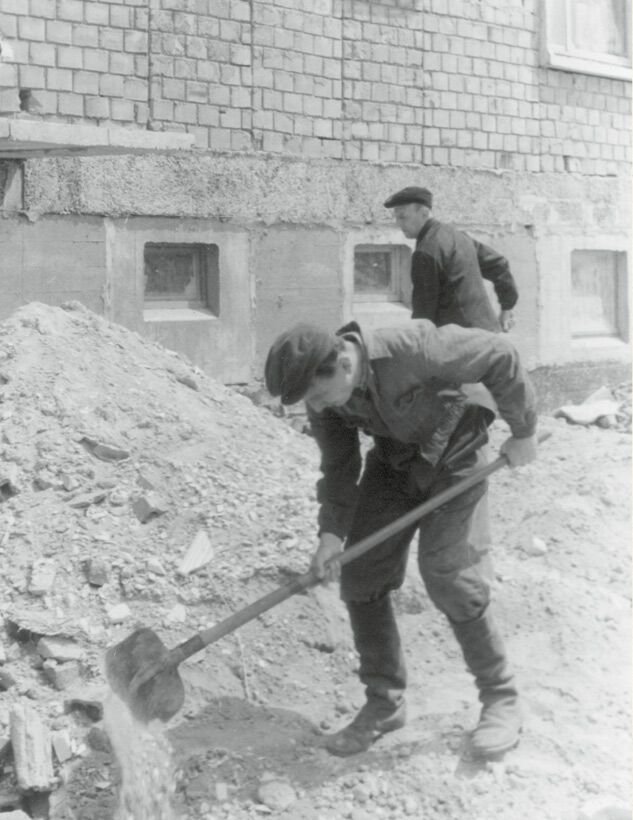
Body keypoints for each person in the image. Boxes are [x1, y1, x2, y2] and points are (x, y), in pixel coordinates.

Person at [265, 319, 538, 759]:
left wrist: (523, 431)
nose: (315, 407)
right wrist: (331, 535)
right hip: (395, 462)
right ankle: (384, 702)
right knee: (361, 573)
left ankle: (500, 699)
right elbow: (339, 465)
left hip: (457, 457)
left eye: (316, 395)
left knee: (446, 573)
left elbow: (500, 355)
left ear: (340, 363)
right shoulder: (324, 399)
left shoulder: (413, 348)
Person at [384, 186, 518, 332]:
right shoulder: (457, 236)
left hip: (461, 345)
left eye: (403, 217)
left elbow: (423, 317)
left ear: (424, 213)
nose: (398, 223)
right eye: (396, 218)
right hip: (488, 337)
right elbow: (499, 265)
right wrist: (507, 307)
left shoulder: (425, 252)